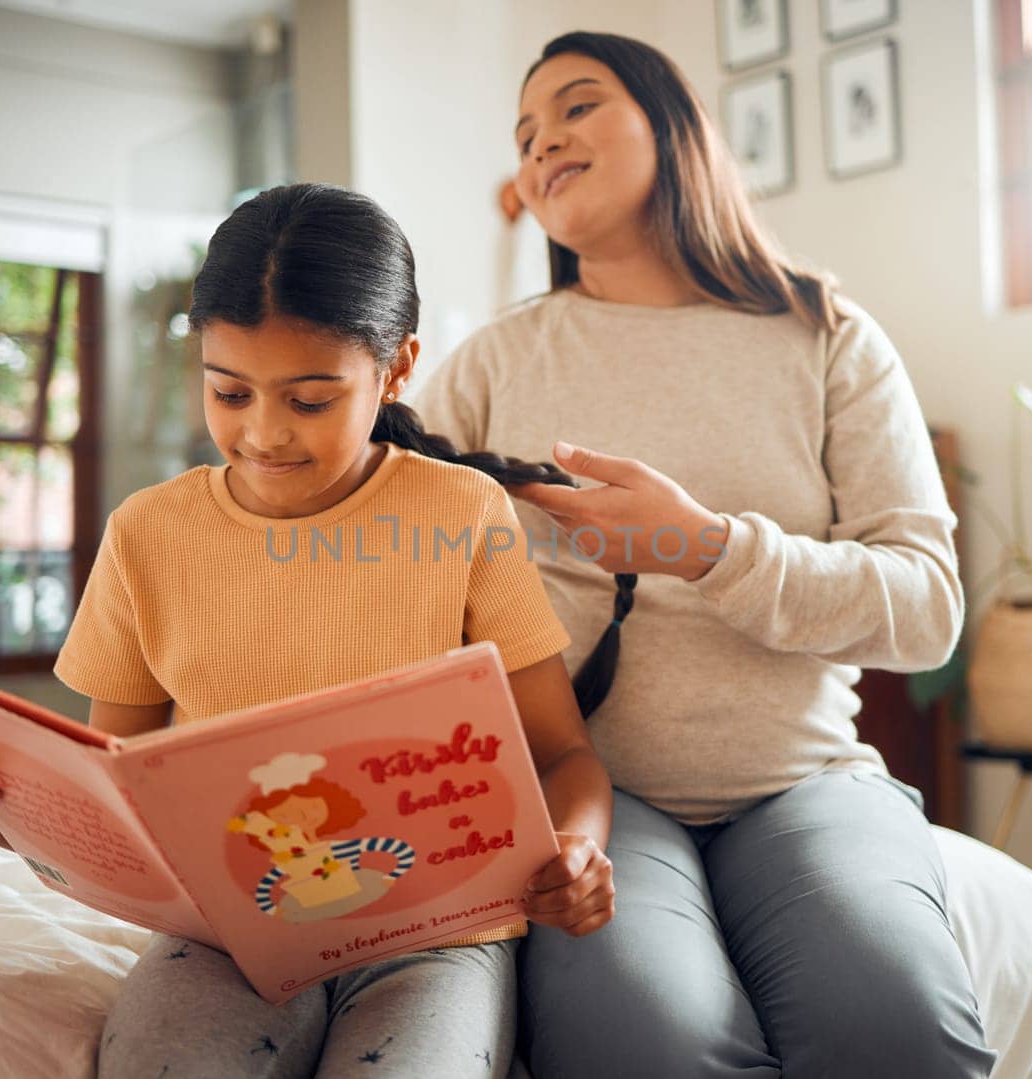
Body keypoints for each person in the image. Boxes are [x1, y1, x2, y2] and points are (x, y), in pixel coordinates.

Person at [0, 183, 615, 1079]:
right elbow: (113, 804)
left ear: (397, 369)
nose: (263, 433)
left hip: (436, 935)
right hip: (224, 932)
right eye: (229, 392)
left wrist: (577, 847)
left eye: (311, 400)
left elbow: (564, 757)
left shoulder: (463, 513)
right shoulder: (149, 533)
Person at [414, 31, 996, 1079]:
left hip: (802, 783)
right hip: (593, 794)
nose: (544, 142)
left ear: (672, 127)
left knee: (896, 1021)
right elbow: (375, 568)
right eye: (524, 134)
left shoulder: (828, 334)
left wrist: (708, 548)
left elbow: (926, 607)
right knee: (646, 1040)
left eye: (577, 107)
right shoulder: (491, 363)